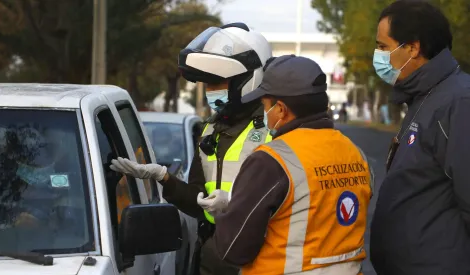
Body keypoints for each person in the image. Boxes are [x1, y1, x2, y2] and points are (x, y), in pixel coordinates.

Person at [109, 22, 273, 275]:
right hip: (212, 256)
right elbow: (198, 200)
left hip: (257, 259)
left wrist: (234, 204)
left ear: (246, 80)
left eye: (217, 82)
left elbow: (290, 203)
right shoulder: (210, 131)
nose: (210, 92)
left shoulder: (272, 132)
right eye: (207, 85)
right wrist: (164, 178)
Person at [209, 55, 373, 275]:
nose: (264, 113)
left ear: (281, 110)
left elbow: (234, 250)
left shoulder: (271, 160)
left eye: (265, 105)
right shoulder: (355, 153)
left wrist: (228, 212)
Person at [370, 1, 470, 274]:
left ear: (412, 48)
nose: (377, 55)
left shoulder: (459, 103)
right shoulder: (424, 98)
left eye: (382, 46)